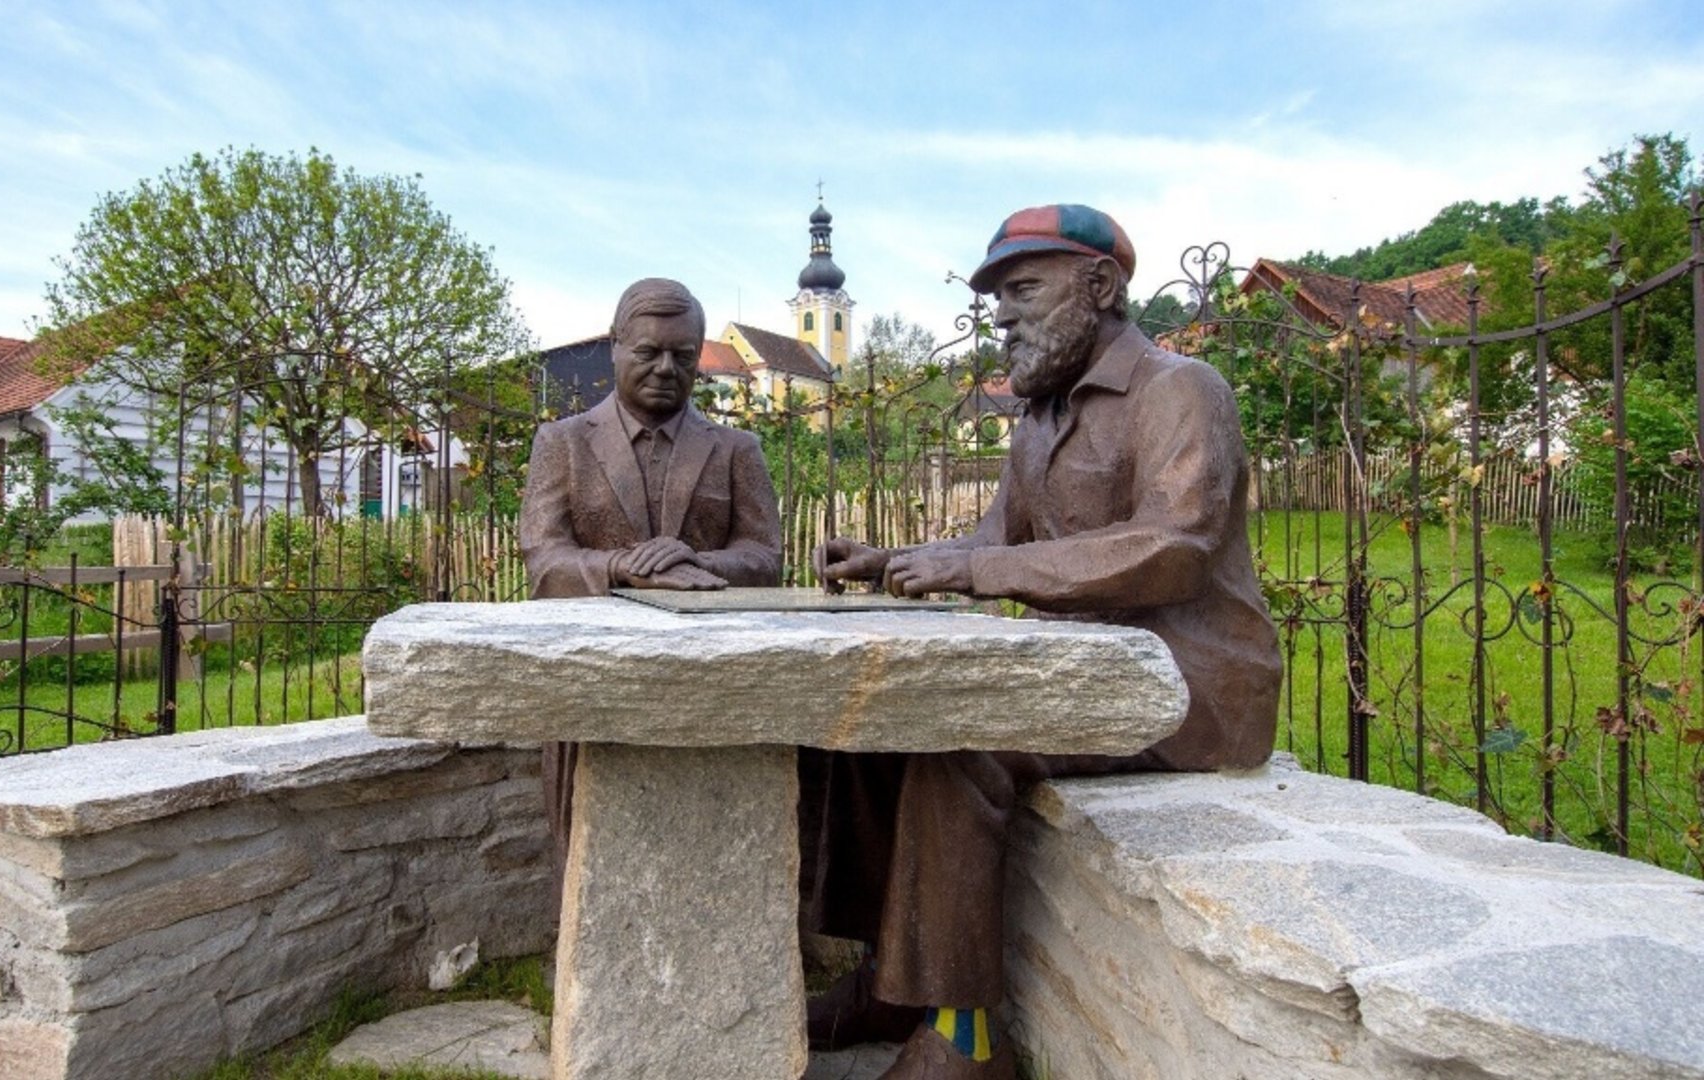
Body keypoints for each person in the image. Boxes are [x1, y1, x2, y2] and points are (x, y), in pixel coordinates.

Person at [809, 205, 1283, 1079]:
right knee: (880, 712)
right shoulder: (1037, 420)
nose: (1002, 315)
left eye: (1024, 289)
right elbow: (995, 543)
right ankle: (890, 976)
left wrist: (984, 575)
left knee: (965, 743)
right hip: (1097, 671)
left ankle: (964, 1041)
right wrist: (896, 561)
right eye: (996, 297)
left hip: (1194, 684)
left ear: (1101, 287)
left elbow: (1172, 548)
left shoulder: (1182, 390)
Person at [519, 276, 781, 863]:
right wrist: (623, 567)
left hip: (713, 684)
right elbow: (543, 558)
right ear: (615, 347)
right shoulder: (561, 443)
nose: (666, 367)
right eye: (648, 352)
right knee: (593, 856)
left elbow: (766, 557)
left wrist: (694, 561)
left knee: (717, 847)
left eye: (683, 356)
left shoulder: (737, 449)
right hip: (592, 678)